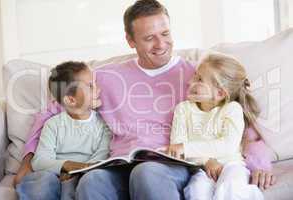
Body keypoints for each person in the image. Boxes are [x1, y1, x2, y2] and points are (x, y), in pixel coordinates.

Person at [14, 0, 275, 199]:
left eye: (165, 33)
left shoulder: (197, 75)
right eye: (149, 38)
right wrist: (26, 162)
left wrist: (259, 164)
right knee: (91, 181)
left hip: (169, 163)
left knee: (146, 172)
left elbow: (241, 118)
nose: (161, 44)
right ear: (130, 41)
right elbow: (51, 111)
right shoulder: (105, 77)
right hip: (117, 162)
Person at [168, 53, 264, 199]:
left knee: (230, 187)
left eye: (199, 79)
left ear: (219, 93)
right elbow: (176, 149)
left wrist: (186, 148)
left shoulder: (232, 109)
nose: (190, 81)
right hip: (202, 168)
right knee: (196, 191)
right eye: (195, 75)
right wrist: (206, 161)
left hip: (232, 164)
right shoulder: (183, 109)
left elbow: (228, 145)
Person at [16, 61, 111, 200]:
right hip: (56, 175)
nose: (98, 89)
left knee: (91, 180)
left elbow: (101, 157)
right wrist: (68, 166)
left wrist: (79, 171)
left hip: (84, 175)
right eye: (90, 86)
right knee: (42, 181)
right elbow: (39, 161)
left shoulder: (103, 125)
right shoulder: (52, 125)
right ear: (71, 100)